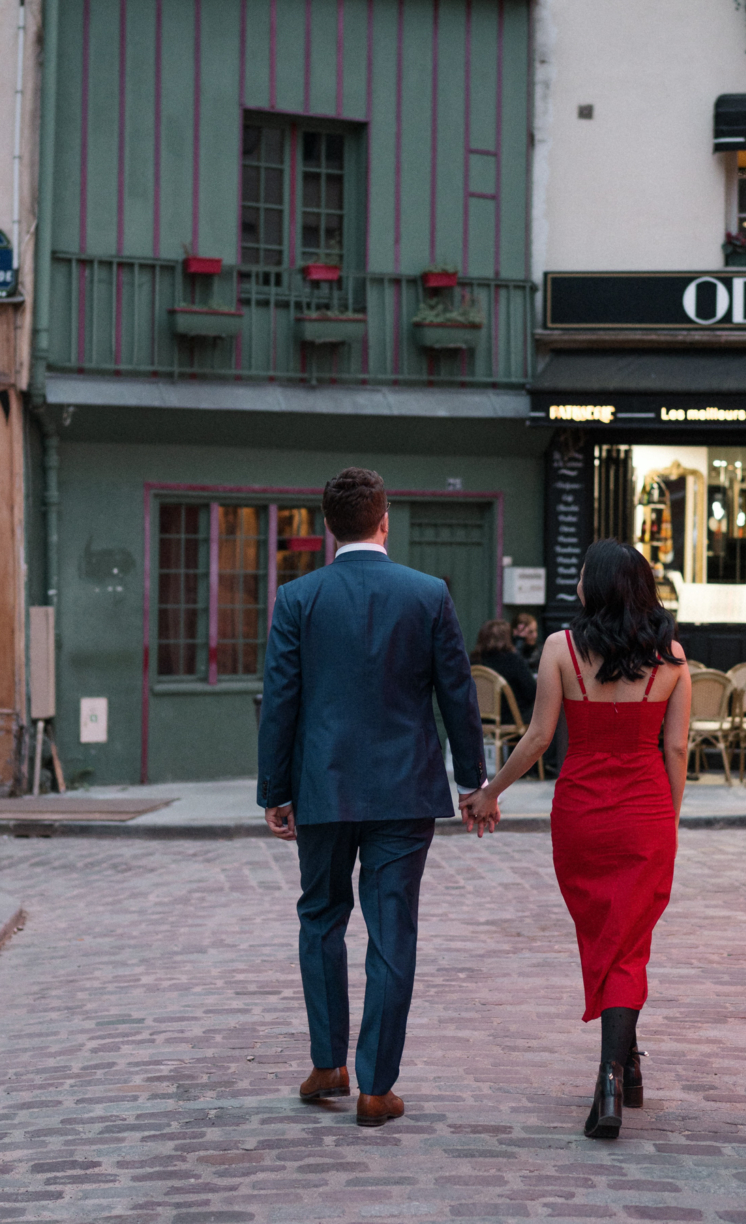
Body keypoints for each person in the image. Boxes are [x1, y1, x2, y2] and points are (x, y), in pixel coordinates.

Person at [258, 467, 489, 1128]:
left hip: (323, 786)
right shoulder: (428, 594)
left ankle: (328, 1062)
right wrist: (472, 781)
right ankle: (375, 1086)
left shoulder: (297, 598)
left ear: (330, 528)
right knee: (391, 932)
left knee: (321, 917)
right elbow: (457, 696)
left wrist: (275, 790)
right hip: (403, 789)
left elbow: (281, 703)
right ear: (384, 521)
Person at [462, 539, 691, 1139]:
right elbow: (676, 749)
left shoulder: (561, 649)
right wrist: (669, 819)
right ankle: (618, 1073)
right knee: (629, 941)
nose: (578, 583)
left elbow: (537, 739)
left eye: (584, 575)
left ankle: (619, 1071)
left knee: (606, 938)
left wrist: (491, 793)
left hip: (582, 812)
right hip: (645, 811)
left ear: (600, 585)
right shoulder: (672, 656)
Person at [473, 618, 537, 723]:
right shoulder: (513, 660)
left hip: (480, 720)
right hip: (512, 719)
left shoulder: (474, 661)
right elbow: (532, 692)